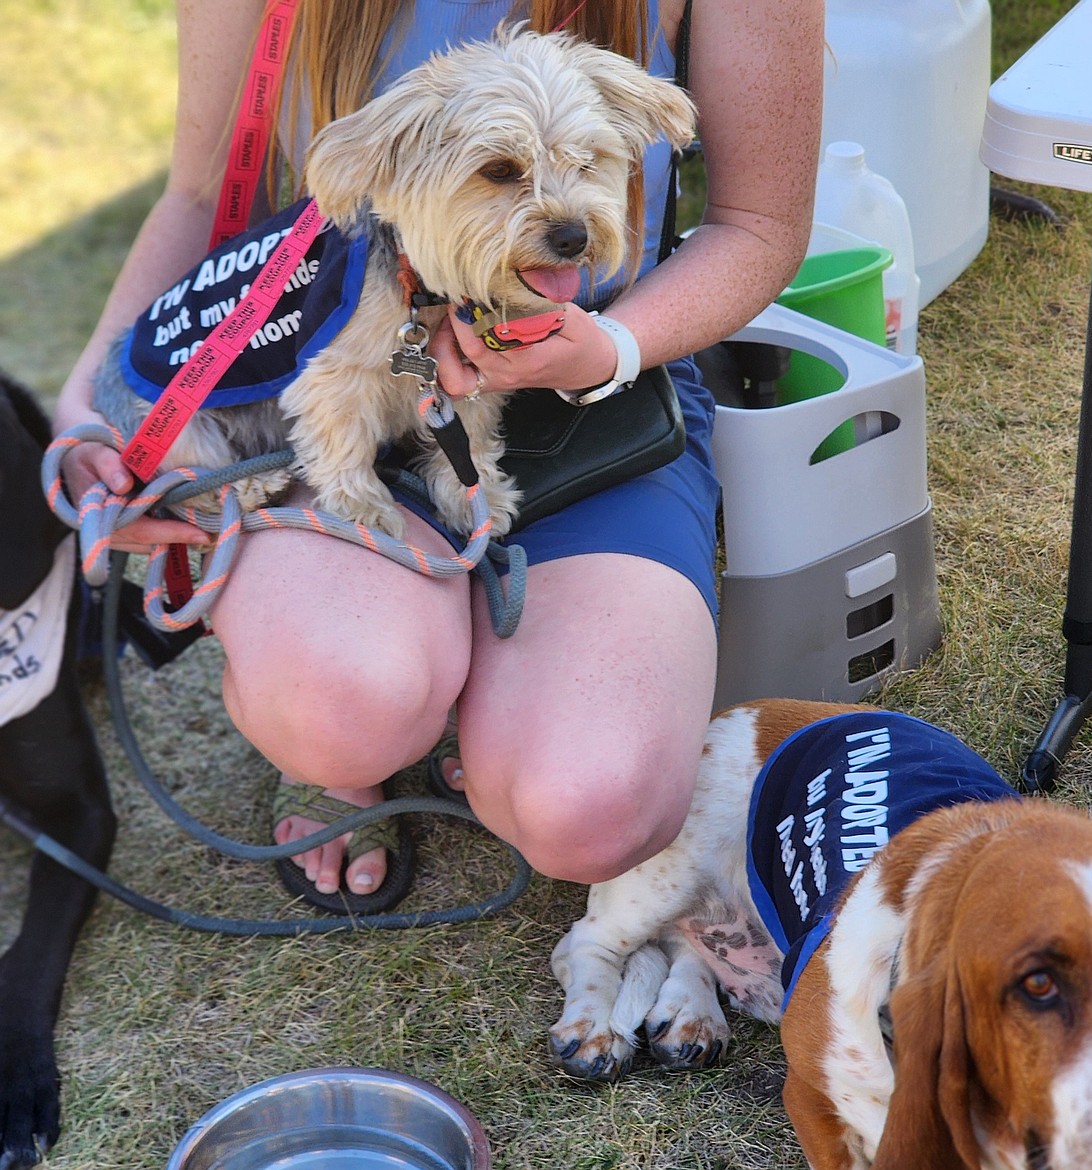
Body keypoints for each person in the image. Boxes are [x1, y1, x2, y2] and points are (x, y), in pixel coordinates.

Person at [53, 0, 823, 902]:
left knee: (592, 805)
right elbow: (195, 197)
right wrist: (95, 413)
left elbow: (759, 224)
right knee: (345, 705)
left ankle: (489, 694)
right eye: (503, 171)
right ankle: (368, 730)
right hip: (326, 364)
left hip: (604, 377)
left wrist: (608, 351)